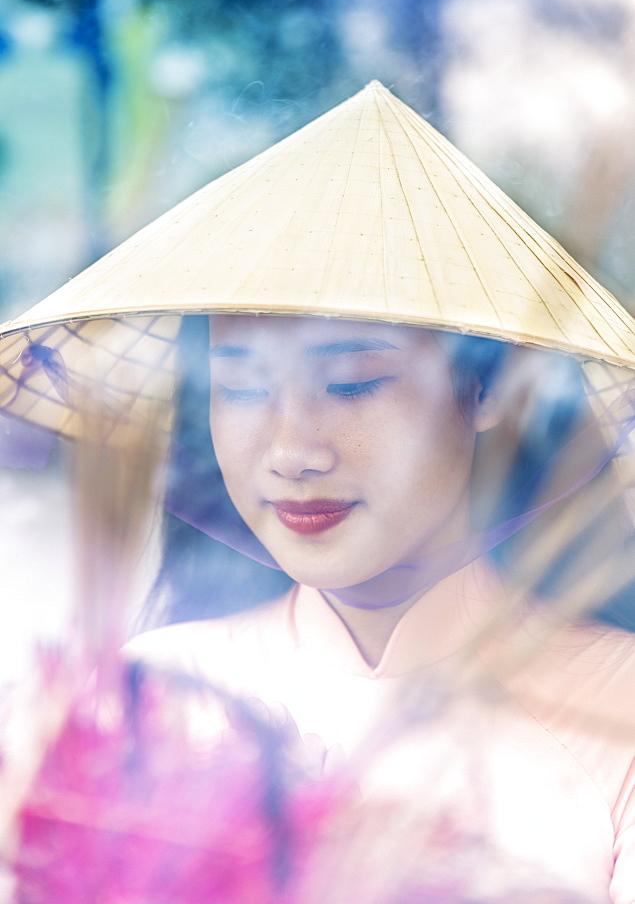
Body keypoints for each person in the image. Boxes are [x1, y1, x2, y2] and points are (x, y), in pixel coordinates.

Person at [1, 81, 635, 901]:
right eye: (239, 387)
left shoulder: (617, 710)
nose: (291, 451)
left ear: (486, 393)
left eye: (350, 384)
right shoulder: (140, 699)